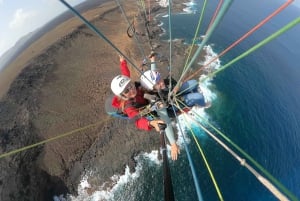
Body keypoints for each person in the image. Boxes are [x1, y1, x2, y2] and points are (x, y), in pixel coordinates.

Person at [109, 55, 180, 160]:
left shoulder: (133, 88)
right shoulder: (129, 106)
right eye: (127, 91)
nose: (131, 89)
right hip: (144, 109)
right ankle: (173, 143)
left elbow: (126, 74)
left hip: (145, 98)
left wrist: (122, 61)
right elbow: (136, 120)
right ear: (122, 96)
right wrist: (151, 123)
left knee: (152, 83)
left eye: (131, 85)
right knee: (162, 111)